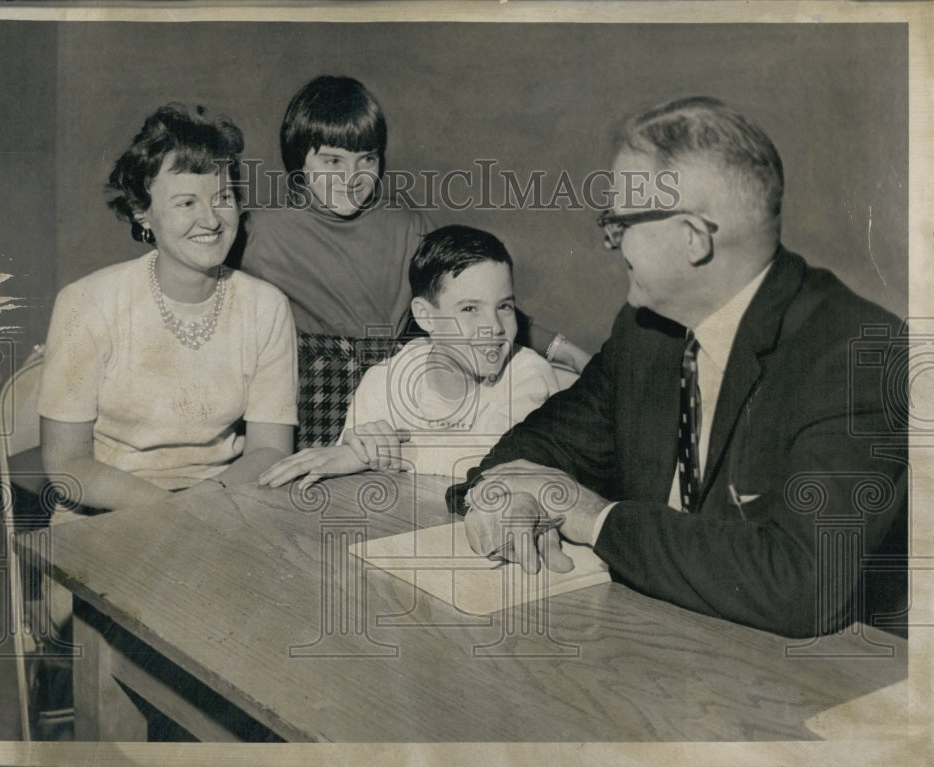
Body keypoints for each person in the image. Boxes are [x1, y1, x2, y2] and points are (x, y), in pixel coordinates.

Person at [449, 97, 907, 639]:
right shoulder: (644, 331)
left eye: (621, 222)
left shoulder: (859, 352)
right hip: (653, 645)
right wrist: (501, 499)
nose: (609, 241)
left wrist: (594, 517)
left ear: (692, 237)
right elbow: (533, 451)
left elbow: (801, 586)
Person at [238, 75, 591, 447]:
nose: (351, 178)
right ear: (299, 161)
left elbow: (478, 299)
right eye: (332, 161)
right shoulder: (258, 232)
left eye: (366, 159)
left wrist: (565, 350)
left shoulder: (408, 225)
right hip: (307, 404)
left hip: (399, 398)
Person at [38, 104, 298, 511]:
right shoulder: (86, 302)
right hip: (106, 512)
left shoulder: (267, 307)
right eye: (186, 203)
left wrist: (205, 503)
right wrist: (172, 514)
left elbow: (271, 449)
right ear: (143, 212)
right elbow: (67, 463)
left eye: (223, 197)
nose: (211, 219)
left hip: (222, 505)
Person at [259, 224, 562, 490]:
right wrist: (360, 454)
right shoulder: (384, 381)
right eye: (470, 309)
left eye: (504, 307)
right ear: (425, 316)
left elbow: (496, 464)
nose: (494, 328)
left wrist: (382, 455)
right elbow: (348, 475)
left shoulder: (528, 374)